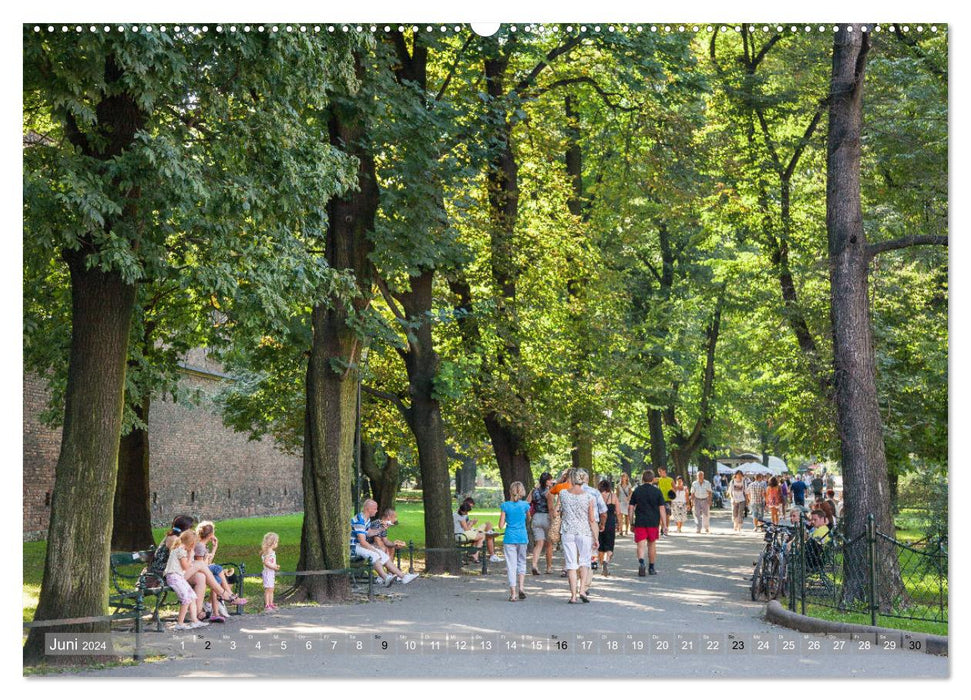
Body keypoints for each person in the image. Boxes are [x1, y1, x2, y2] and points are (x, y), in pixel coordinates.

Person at [352, 499, 414, 586]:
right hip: (353, 546)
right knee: (375, 554)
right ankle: (385, 578)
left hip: (359, 545)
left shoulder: (367, 519)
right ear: (368, 509)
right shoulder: (359, 520)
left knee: (383, 555)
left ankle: (403, 577)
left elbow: (369, 533)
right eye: (375, 508)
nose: (377, 511)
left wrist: (382, 529)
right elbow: (362, 542)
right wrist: (375, 550)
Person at [558, 469, 597, 603]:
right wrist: (596, 538)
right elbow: (591, 519)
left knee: (571, 564)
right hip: (584, 532)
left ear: (571, 480)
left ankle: (573, 596)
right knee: (585, 562)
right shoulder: (589, 497)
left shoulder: (563, 494)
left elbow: (558, 511)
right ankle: (582, 591)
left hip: (568, 531)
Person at [163, 531, 208, 630]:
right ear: (191, 544)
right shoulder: (180, 551)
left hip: (178, 577)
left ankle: (195, 621)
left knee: (192, 596)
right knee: (186, 598)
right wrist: (191, 555)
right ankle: (180, 623)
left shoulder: (178, 548)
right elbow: (186, 567)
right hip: (174, 577)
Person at [628, 469, 666, 576]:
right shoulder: (657, 492)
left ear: (642, 479)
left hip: (640, 521)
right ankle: (651, 568)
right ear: (653, 479)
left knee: (640, 545)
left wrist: (631, 522)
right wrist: (664, 524)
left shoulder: (637, 491)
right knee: (652, 544)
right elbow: (662, 509)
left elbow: (630, 508)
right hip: (653, 522)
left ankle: (641, 563)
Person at [194, 521, 233, 622]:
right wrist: (209, 561)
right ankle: (228, 594)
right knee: (218, 568)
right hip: (197, 573)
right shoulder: (199, 546)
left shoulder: (204, 546)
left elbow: (207, 562)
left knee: (217, 578)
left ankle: (215, 613)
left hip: (203, 570)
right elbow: (201, 565)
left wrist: (214, 548)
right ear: (211, 534)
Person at [499, 481, 531, 601]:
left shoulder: (505, 506)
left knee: (511, 565)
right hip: (522, 537)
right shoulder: (525, 505)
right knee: (521, 562)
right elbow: (529, 518)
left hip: (509, 538)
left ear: (510, 492)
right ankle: (521, 588)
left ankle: (513, 593)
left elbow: (501, 525)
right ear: (522, 491)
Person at [529, 473, 553, 575]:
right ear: (547, 481)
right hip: (546, 517)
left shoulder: (534, 491)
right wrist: (553, 521)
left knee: (538, 544)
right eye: (550, 480)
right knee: (549, 544)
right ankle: (548, 567)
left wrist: (532, 490)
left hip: (536, 517)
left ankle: (534, 565)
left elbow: (527, 502)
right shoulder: (549, 493)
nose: (551, 481)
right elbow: (551, 508)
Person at [597, 479, 618, 575]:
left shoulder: (597, 496)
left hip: (599, 523)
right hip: (610, 523)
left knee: (600, 546)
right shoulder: (613, 496)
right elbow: (618, 511)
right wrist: (619, 524)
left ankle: (602, 566)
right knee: (610, 544)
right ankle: (606, 561)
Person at [261, 532, 281, 611]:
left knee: (271, 589)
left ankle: (271, 603)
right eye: (276, 542)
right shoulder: (268, 552)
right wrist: (274, 567)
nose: (277, 543)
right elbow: (266, 562)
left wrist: (275, 566)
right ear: (273, 543)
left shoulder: (271, 552)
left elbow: (271, 562)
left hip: (271, 572)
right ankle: (267, 604)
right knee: (268, 589)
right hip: (268, 572)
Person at [656, 467, 674, 536]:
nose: (660, 473)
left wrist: (672, 493)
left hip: (668, 500)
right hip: (660, 500)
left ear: (664, 471)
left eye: (661, 471)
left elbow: (674, 488)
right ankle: (662, 528)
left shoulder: (670, 479)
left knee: (667, 515)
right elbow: (649, 480)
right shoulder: (658, 479)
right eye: (659, 472)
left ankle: (666, 529)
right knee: (660, 516)